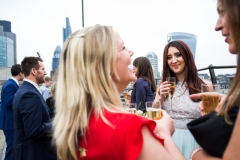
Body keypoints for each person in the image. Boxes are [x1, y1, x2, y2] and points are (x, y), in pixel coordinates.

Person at [53, 24, 185, 160]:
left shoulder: (74, 127)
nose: (131, 52)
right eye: (123, 48)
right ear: (107, 64)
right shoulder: (131, 128)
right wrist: (165, 135)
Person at [189, 0, 240, 159]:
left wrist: (196, 154)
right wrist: (231, 100)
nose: (217, 26)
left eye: (223, 12)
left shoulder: (204, 83)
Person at [153, 40, 210, 160]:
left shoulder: (205, 85)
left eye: (178, 55)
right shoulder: (163, 86)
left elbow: (213, 118)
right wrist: (159, 98)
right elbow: (154, 115)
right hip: (170, 140)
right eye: (169, 57)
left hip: (197, 141)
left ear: (187, 56)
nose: (173, 61)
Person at [12, 57, 57, 160]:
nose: (45, 73)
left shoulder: (25, 90)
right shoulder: (29, 94)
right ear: (34, 71)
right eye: (43, 69)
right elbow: (34, 130)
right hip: (33, 153)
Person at [0, 64, 24, 160]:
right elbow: (10, 102)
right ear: (20, 73)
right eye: (23, 73)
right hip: (10, 123)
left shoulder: (10, 83)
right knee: (11, 150)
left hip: (9, 122)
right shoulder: (10, 85)